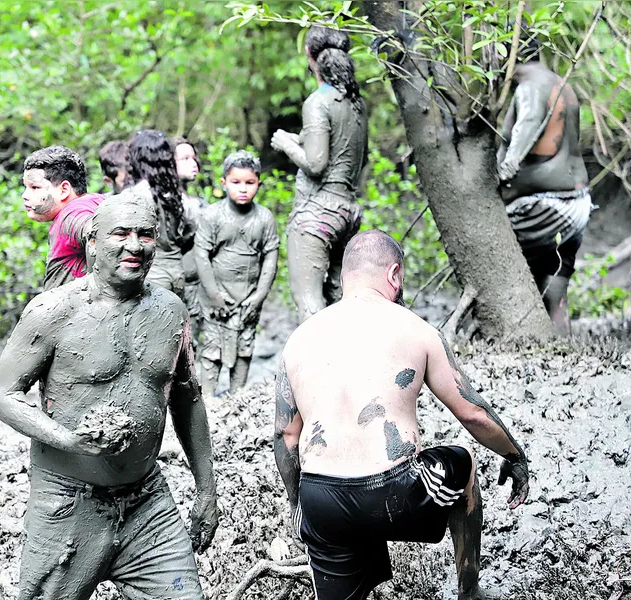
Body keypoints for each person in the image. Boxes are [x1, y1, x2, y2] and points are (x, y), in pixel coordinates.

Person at [273, 230, 531, 600]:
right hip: (394, 492)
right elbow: (473, 414)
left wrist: (299, 503)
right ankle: (469, 591)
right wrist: (514, 455)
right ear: (394, 275)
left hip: (322, 497)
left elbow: (286, 436)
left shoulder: (299, 338)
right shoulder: (416, 328)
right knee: (465, 461)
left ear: (345, 277)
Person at [0, 193, 219, 600]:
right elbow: (2, 395)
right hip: (68, 502)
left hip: (146, 501)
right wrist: (66, 439)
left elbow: (187, 398)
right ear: (92, 243)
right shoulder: (53, 311)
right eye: (121, 234)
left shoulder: (170, 311)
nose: (134, 245)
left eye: (145, 234)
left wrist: (206, 490)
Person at [271, 26, 368, 324]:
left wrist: (287, 144)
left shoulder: (317, 101)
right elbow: (356, 156)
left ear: (311, 58)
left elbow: (315, 164)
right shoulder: (357, 103)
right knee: (341, 297)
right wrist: (299, 137)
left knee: (309, 300)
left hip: (316, 214)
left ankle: (315, 369)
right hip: (348, 211)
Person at [497, 36, 592, 335]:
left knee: (492, 242)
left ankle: (512, 334)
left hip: (543, 206)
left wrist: (507, 165)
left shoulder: (531, 86)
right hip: (578, 201)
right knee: (555, 276)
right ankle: (558, 344)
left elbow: (529, 119)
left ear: (508, 55)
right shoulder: (560, 83)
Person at [195, 151, 279, 397]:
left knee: (244, 349)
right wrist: (214, 295)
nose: (243, 189)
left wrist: (259, 296)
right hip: (216, 299)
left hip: (248, 299)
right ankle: (208, 401)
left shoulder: (264, 218)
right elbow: (202, 256)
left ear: (259, 184)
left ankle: (237, 398)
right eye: (236, 182)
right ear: (224, 183)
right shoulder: (212, 215)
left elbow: (271, 258)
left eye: (249, 183)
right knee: (211, 351)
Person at [125, 129, 196, 299]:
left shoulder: (133, 197)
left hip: (148, 278)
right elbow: (190, 235)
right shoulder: (183, 200)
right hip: (177, 277)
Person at [22, 146, 105, 290]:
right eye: (26, 187)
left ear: (64, 190)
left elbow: (89, 228)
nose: (25, 195)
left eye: (34, 187)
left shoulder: (71, 215)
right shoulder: (98, 201)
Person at [172, 136, 207, 343]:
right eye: (185, 159)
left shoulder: (197, 202)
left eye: (194, 158)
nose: (193, 163)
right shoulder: (166, 202)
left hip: (196, 288)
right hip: (175, 285)